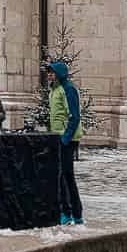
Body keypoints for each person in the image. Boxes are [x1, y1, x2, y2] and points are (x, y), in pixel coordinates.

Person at [44, 58, 83, 226]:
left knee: (67, 176)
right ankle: (66, 211)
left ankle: (74, 213)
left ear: (59, 74)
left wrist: (65, 138)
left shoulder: (68, 89)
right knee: (61, 176)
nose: (49, 76)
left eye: (52, 73)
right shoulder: (54, 90)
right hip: (58, 137)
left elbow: (74, 116)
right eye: (49, 73)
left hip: (67, 138)